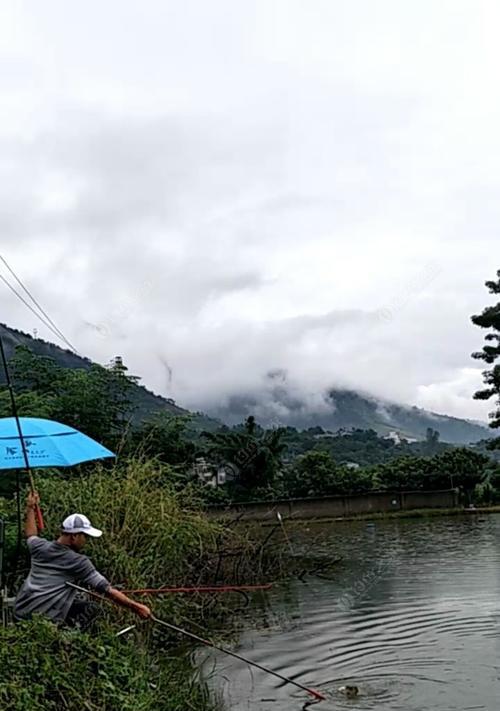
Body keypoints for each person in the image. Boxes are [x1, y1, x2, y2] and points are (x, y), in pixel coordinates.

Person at [14, 491, 151, 629]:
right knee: (92, 609)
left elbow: (31, 534)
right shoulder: (78, 562)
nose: (86, 541)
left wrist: (30, 507)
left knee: (78, 603)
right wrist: (136, 607)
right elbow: (107, 590)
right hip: (42, 618)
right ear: (74, 536)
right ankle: (67, 640)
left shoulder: (40, 547)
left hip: (20, 612)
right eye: (84, 536)